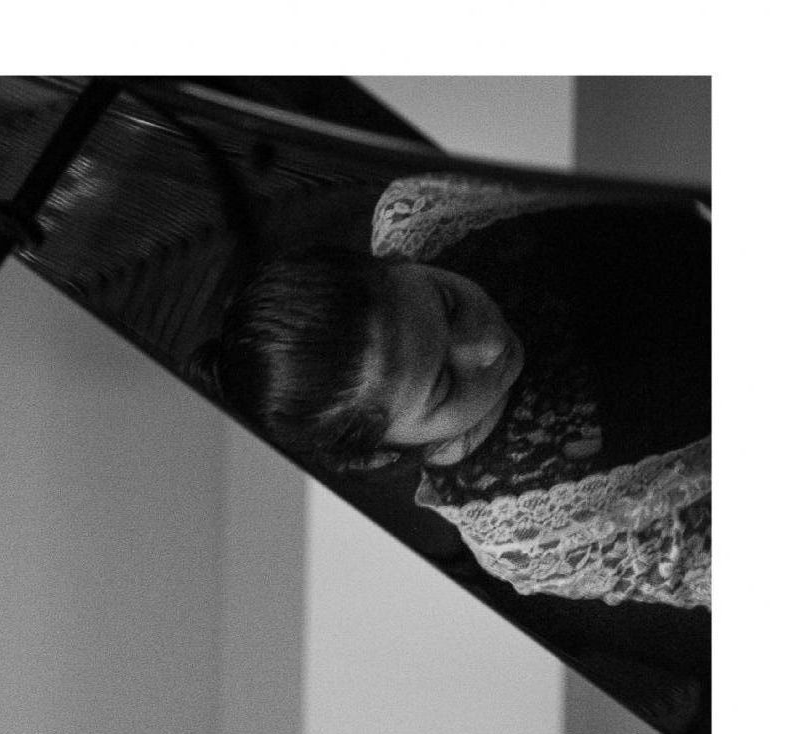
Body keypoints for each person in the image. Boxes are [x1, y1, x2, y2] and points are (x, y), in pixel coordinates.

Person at [195, 174, 710, 609]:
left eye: (449, 305)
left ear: (395, 261)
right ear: (380, 456)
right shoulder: (527, 534)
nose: (490, 346)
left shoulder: (424, 216)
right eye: (444, 385)